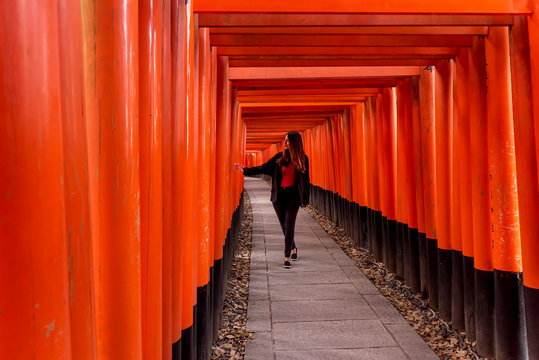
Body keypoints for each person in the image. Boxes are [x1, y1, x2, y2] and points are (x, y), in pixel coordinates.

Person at [234, 131, 310, 268]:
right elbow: (263, 168)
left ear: (295, 142)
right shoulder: (279, 158)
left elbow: (305, 181)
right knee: (283, 226)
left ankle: (286, 257)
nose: (285, 143)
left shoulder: (303, 159)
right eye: (284, 140)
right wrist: (245, 170)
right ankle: (293, 248)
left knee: (289, 226)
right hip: (279, 196)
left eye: (287, 140)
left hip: (293, 197)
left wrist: (305, 200)